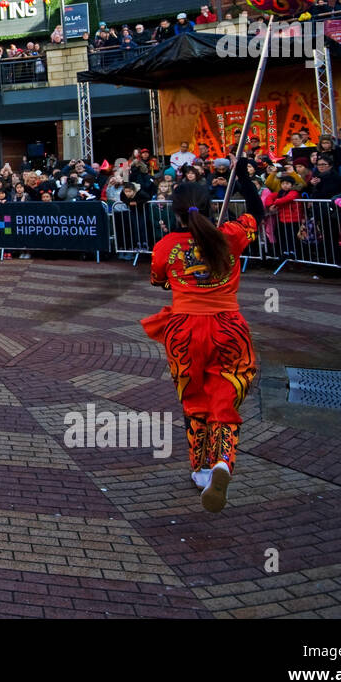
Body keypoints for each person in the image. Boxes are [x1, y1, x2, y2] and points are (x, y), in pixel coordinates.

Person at [141, 179, 261, 513]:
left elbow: (159, 280)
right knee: (225, 395)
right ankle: (223, 460)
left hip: (184, 329)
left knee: (195, 400)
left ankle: (201, 467)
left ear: (174, 211)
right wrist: (244, 183)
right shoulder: (230, 236)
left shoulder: (166, 245)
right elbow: (257, 214)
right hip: (229, 327)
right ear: (210, 205)